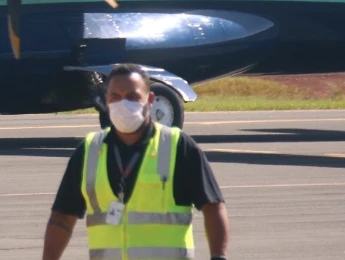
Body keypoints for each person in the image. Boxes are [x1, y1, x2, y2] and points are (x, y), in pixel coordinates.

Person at [42, 63, 230, 260]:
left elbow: (213, 207)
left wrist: (218, 257)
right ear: (106, 101)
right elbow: (62, 218)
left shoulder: (178, 146)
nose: (123, 104)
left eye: (132, 97)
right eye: (115, 97)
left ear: (149, 100)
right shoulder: (89, 150)